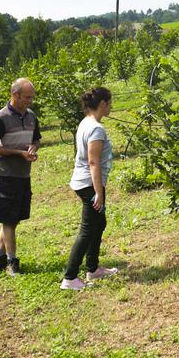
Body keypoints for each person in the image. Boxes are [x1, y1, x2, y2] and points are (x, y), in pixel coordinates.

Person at [61, 86, 119, 291]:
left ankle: (93, 268)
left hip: (86, 182)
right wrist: (98, 193)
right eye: (109, 102)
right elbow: (93, 162)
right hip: (89, 184)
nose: (111, 106)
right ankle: (69, 278)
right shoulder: (96, 128)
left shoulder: (86, 122)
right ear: (102, 104)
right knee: (87, 229)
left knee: (99, 223)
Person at [0, 78, 40, 276]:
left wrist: (33, 147)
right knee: (9, 220)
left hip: (23, 174)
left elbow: (36, 139)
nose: (30, 101)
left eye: (31, 97)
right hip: (5, 175)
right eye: (27, 97)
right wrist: (18, 153)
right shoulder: (1, 118)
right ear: (15, 95)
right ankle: (12, 262)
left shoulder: (32, 116)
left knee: (14, 219)